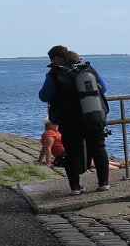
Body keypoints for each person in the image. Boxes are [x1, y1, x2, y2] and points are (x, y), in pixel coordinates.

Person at [38, 45, 110, 195]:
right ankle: (104, 183)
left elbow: (44, 96)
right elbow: (103, 88)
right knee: (98, 148)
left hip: (69, 120)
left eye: (52, 58)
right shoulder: (88, 69)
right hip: (93, 115)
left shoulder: (55, 74)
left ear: (57, 58)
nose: (52, 61)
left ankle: (75, 187)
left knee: (72, 151)